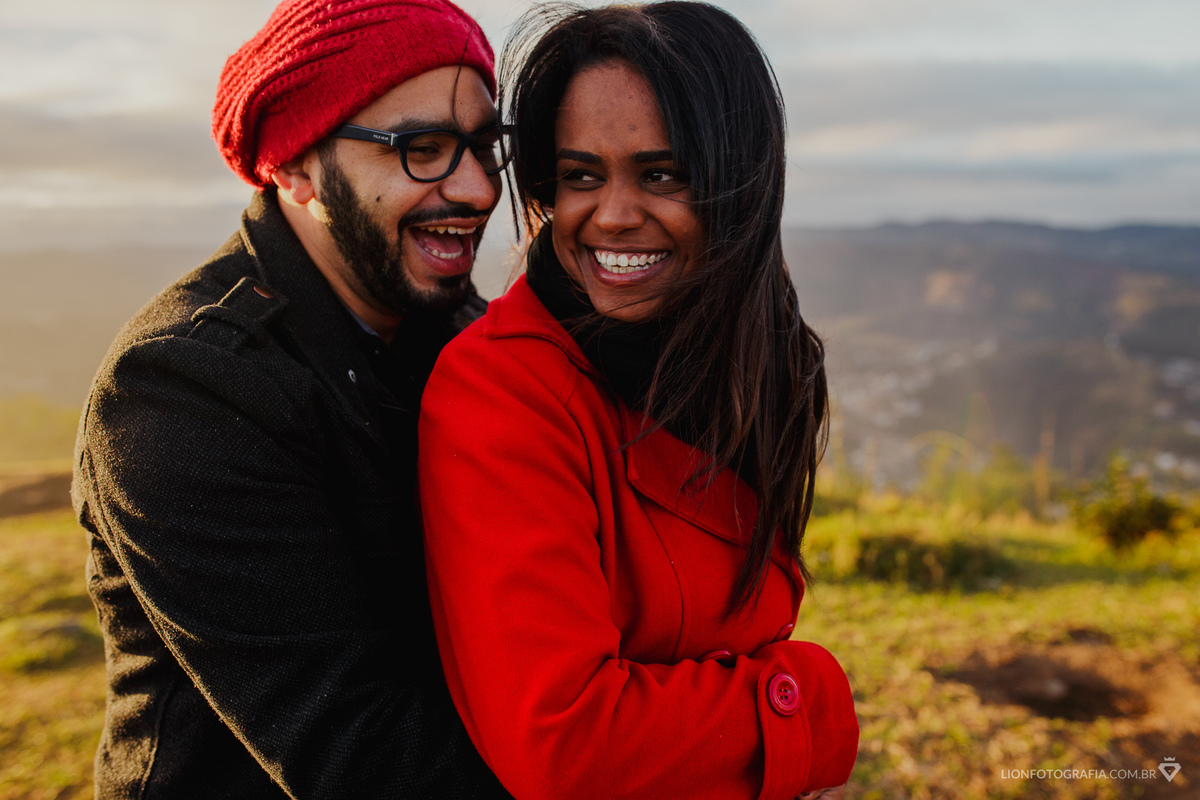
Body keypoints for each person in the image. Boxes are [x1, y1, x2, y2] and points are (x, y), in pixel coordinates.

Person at [71, 1, 514, 797]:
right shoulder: (181, 392)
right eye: (423, 149)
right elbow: (359, 755)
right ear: (296, 165)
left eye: (485, 146)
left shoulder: (463, 333)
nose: (478, 189)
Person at [419, 3, 860, 799]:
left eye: (663, 174)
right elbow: (564, 745)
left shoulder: (751, 358)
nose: (613, 216)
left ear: (739, 186)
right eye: (582, 176)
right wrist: (806, 701)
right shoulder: (503, 391)